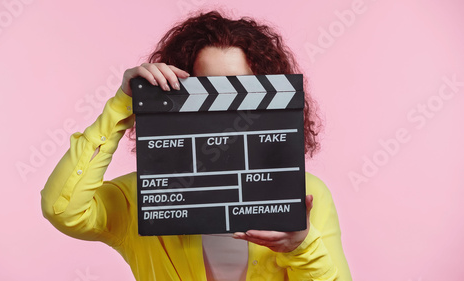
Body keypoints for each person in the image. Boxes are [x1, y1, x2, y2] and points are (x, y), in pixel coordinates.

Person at [41, 10, 352, 281]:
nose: (225, 112)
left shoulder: (306, 195)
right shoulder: (144, 197)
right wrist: (124, 105)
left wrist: (302, 246)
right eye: (208, 89)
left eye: (241, 91)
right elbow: (63, 209)